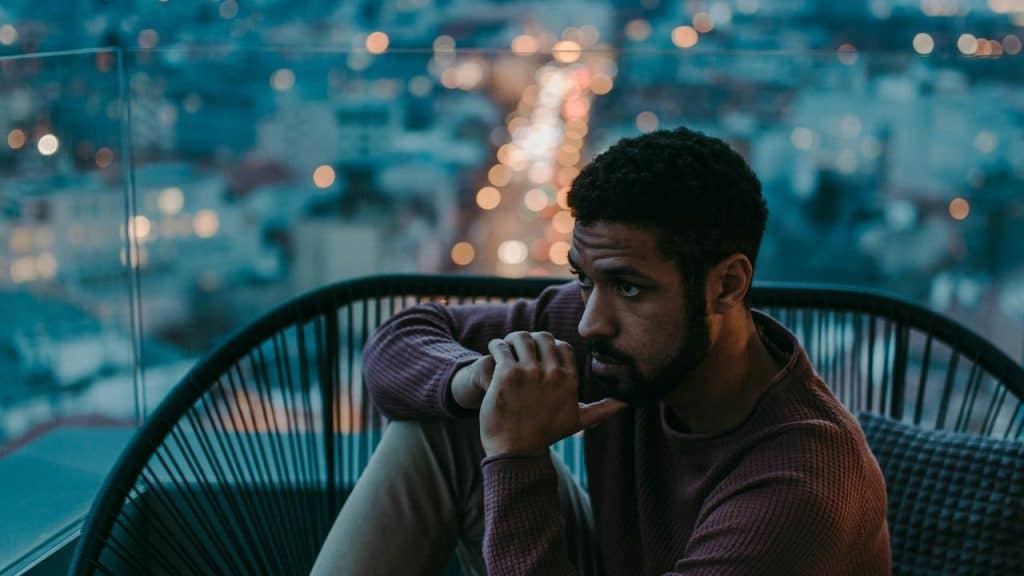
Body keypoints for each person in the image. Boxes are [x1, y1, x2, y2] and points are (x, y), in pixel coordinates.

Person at [311, 127, 891, 575]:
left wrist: (516, 454)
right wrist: (482, 382)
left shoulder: (798, 487)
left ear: (727, 285)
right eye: (585, 280)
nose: (591, 321)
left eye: (629, 286)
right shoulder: (627, 339)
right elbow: (403, 337)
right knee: (444, 425)